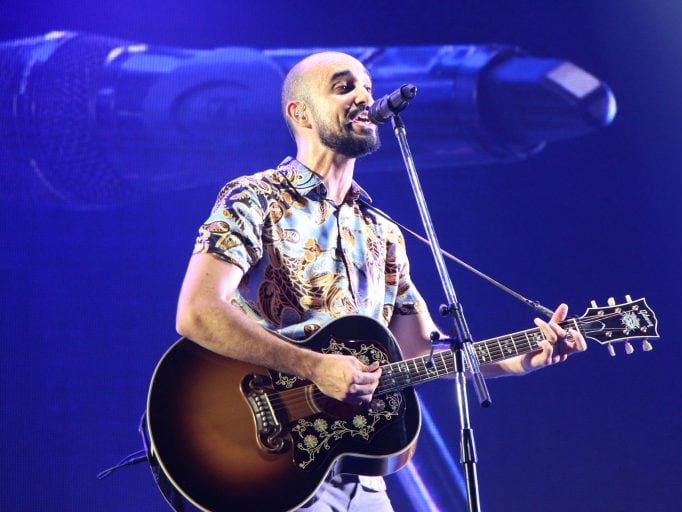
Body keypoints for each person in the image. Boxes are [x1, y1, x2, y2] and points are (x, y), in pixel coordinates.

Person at [175, 51, 587, 512]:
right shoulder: (254, 198)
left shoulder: (382, 231)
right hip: (270, 459)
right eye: (344, 86)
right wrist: (314, 368)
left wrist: (519, 358)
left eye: (368, 87)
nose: (364, 96)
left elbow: (420, 353)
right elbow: (198, 311)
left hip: (360, 472)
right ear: (300, 113)